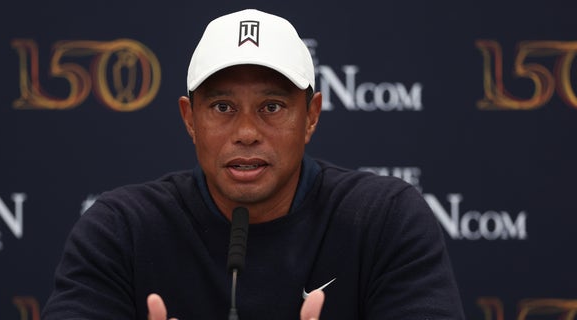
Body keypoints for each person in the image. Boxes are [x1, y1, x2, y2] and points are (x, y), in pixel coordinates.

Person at [41, 8, 465, 320]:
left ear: (311, 116)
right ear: (190, 119)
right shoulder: (121, 229)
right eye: (223, 106)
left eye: (273, 106)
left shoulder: (384, 219)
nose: (246, 131)